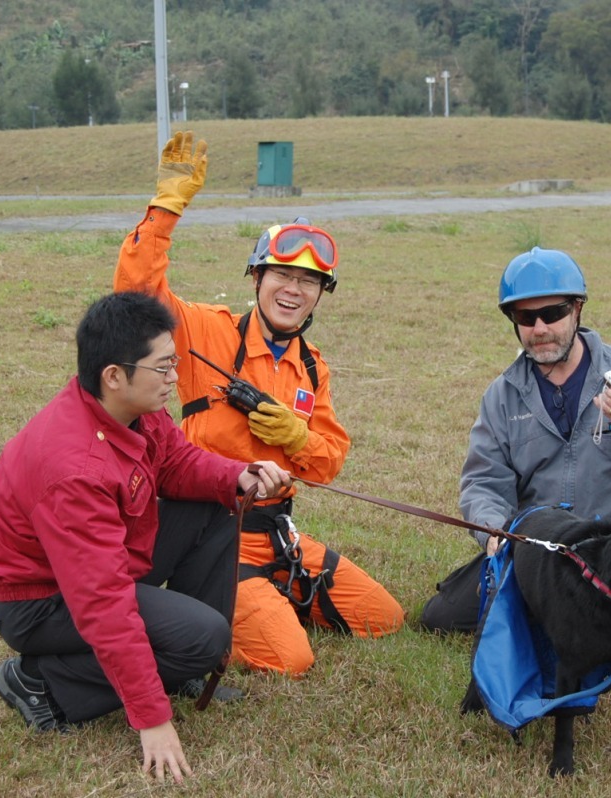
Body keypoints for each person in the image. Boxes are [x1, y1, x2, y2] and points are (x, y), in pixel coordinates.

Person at [113, 130, 404, 676]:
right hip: (218, 535)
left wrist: (295, 437)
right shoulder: (204, 332)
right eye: (283, 275)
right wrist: (166, 208)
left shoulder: (311, 365)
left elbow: (328, 461)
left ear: (321, 295)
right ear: (257, 278)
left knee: (383, 618)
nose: (294, 290)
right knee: (292, 660)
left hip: (280, 533)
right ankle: (215, 605)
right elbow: (136, 294)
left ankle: (274, 593)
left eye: (309, 282)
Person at [0, 291, 291, 784]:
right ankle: (41, 684)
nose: (174, 378)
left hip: (107, 556)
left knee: (218, 503)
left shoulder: (131, 408)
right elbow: (103, 603)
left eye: (175, 362)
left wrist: (238, 476)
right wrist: (152, 717)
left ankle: (182, 666)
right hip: (40, 600)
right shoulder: (73, 469)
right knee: (205, 638)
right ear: (114, 375)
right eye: (164, 367)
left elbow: (177, 462)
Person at [419, 247, 611, 633]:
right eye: (525, 317)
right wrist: (493, 531)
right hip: (544, 551)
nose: (539, 329)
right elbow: (483, 482)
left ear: (577, 310)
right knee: (441, 618)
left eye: (552, 313)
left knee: (582, 628)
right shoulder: (501, 396)